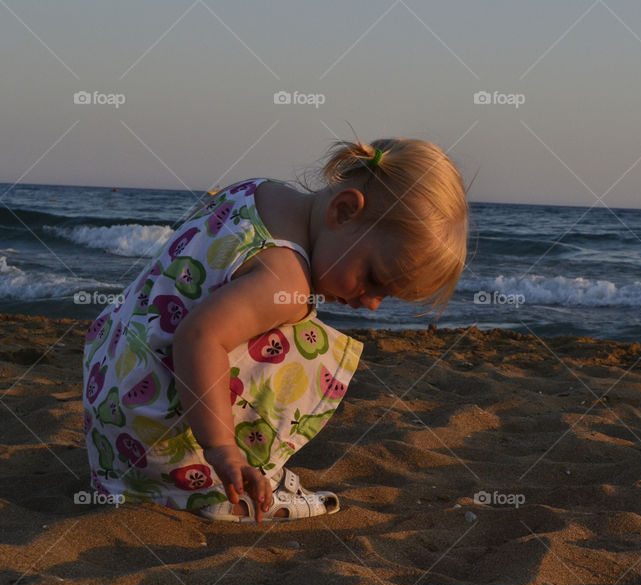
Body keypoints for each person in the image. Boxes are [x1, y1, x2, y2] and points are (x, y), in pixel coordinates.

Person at [81, 137, 469, 523]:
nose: (371, 302)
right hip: (154, 435)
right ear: (345, 210)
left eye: (386, 295)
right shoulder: (286, 281)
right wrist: (220, 448)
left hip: (110, 392)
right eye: (374, 278)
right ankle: (215, 486)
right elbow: (199, 337)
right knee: (309, 336)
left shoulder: (260, 191)